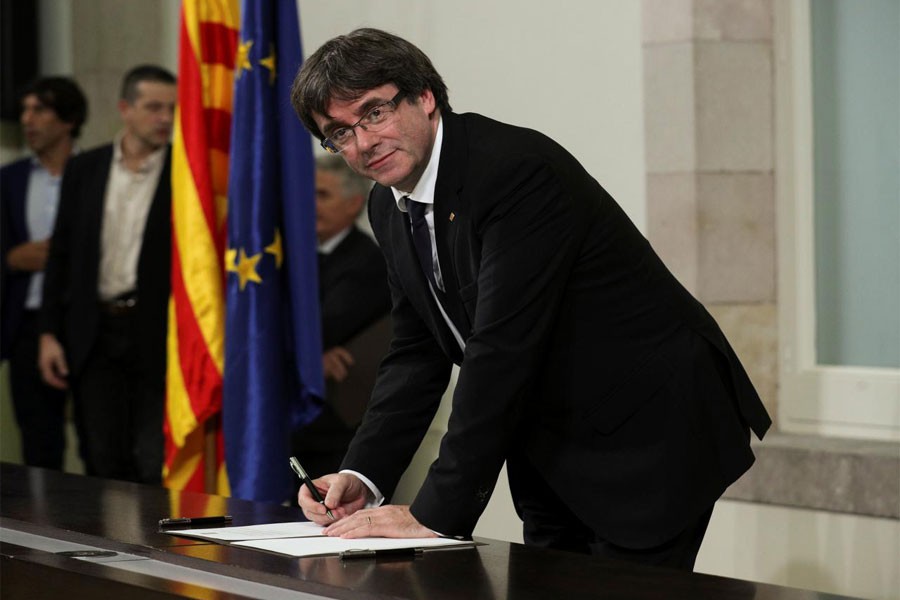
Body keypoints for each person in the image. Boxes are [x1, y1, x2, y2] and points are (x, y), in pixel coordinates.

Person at [290, 28, 771, 571]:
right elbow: (416, 351)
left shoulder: (515, 170)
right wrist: (363, 475)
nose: (361, 143)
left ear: (424, 96)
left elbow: (501, 348)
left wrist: (436, 512)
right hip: (550, 440)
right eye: (339, 133)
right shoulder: (386, 204)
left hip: (648, 429)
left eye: (373, 112)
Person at [37, 65, 176, 484]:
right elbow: (59, 254)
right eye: (154, 107)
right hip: (93, 330)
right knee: (101, 454)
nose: (165, 118)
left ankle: (153, 548)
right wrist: (48, 332)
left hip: (157, 332)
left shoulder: (186, 173)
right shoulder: (87, 168)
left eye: (172, 109)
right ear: (125, 109)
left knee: (154, 456)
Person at [1, 77, 88, 470]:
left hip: (88, 321)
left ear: (68, 120)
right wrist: (11, 259)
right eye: (24, 111)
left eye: (40, 110)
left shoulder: (95, 171)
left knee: (98, 438)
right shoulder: (10, 179)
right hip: (26, 323)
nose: (28, 120)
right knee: (38, 439)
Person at [292, 155, 391, 482]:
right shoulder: (294, 253)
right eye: (308, 193)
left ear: (354, 204)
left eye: (323, 195)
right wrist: (311, 357)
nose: (310, 204)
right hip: (296, 419)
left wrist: (309, 353)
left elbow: (320, 327)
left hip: (337, 424)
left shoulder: (366, 261)